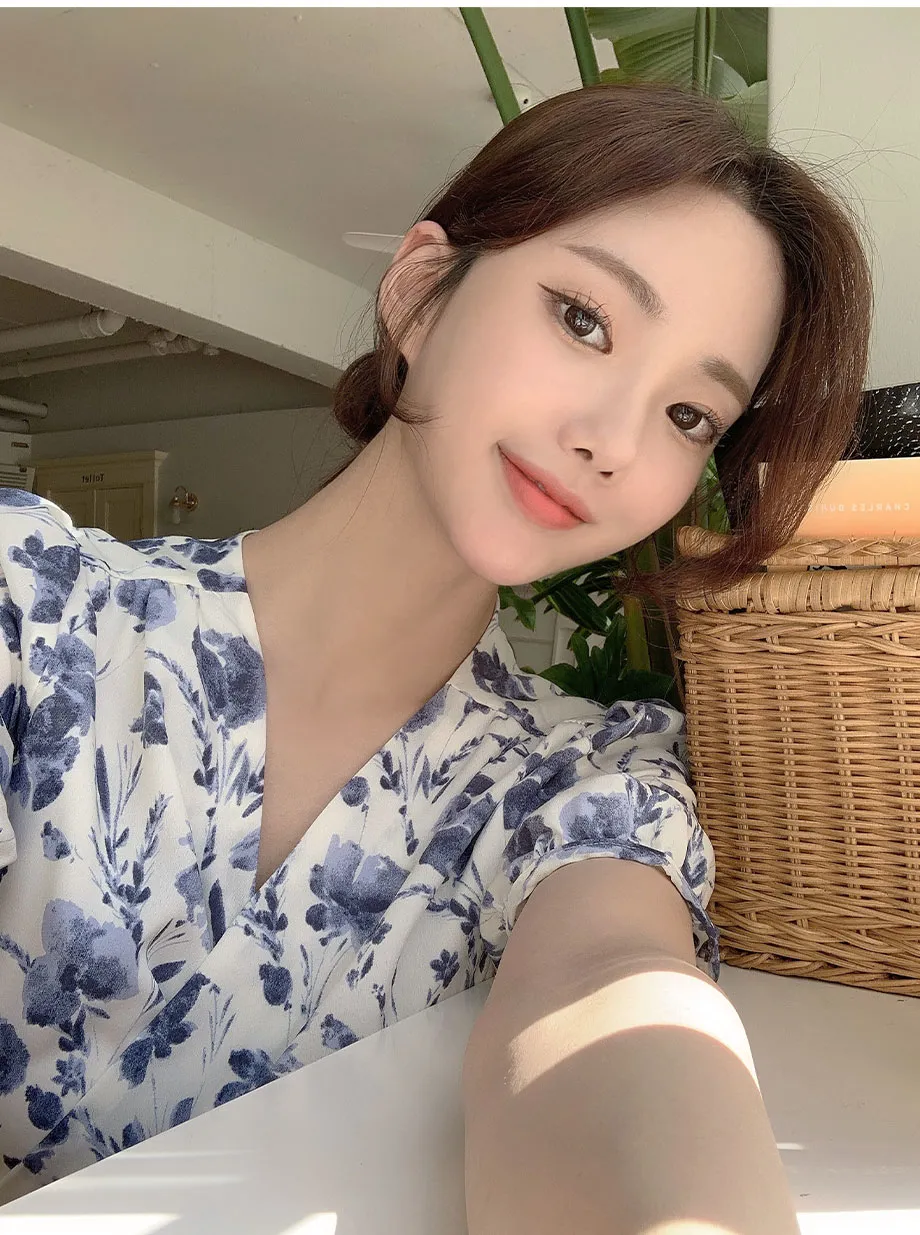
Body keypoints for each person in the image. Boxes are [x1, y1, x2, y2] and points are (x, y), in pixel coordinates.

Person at [0, 82, 870, 1231]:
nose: (611, 439)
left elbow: (614, 997)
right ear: (419, 292)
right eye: (583, 319)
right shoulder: (36, 609)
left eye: (687, 416)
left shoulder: (578, 783)